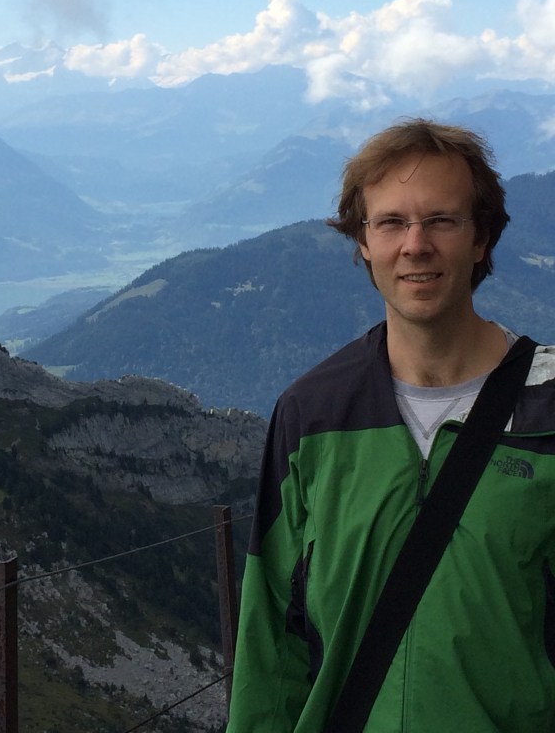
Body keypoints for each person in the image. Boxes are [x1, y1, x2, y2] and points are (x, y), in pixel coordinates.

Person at [226, 118, 555, 732]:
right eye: (391, 223)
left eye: (441, 220)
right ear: (364, 243)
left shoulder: (548, 410)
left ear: (481, 238)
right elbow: (271, 639)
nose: (415, 244)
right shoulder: (312, 416)